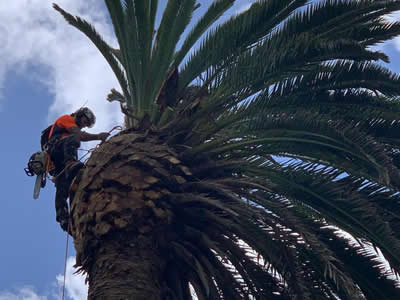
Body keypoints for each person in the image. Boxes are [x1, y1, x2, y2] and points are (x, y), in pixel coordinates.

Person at [45, 107, 109, 231]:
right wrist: (99, 136)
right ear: (80, 114)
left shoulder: (68, 139)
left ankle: (64, 218)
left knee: (62, 187)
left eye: (87, 124)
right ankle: (70, 164)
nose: (84, 125)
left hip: (58, 162)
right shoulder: (66, 119)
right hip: (55, 151)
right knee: (74, 140)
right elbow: (79, 136)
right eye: (85, 121)